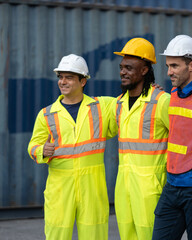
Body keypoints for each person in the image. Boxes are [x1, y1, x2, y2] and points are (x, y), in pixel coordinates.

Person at [28, 54, 114, 240]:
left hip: (92, 188)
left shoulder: (101, 107)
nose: (62, 82)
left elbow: (130, 102)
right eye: (60, 77)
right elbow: (33, 146)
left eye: (69, 77)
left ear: (83, 81)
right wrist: (42, 150)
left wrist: (151, 88)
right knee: (57, 234)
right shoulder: (47, 114)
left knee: (95, 234)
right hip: (60, 188)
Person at [152, 34, 192, 240]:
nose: (169, 71)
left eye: (174, 66)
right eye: (168, 66)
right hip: (172, 185)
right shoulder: (173, 94)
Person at [108, 38, 170, 240]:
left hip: (150, 186)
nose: (122, 72)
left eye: (129, 67)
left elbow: (181, 141)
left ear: (144, 70)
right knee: (127, 235)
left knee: (151, 235)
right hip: (124, 185)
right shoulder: (119, 103)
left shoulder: (162, 101)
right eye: (121, 67)